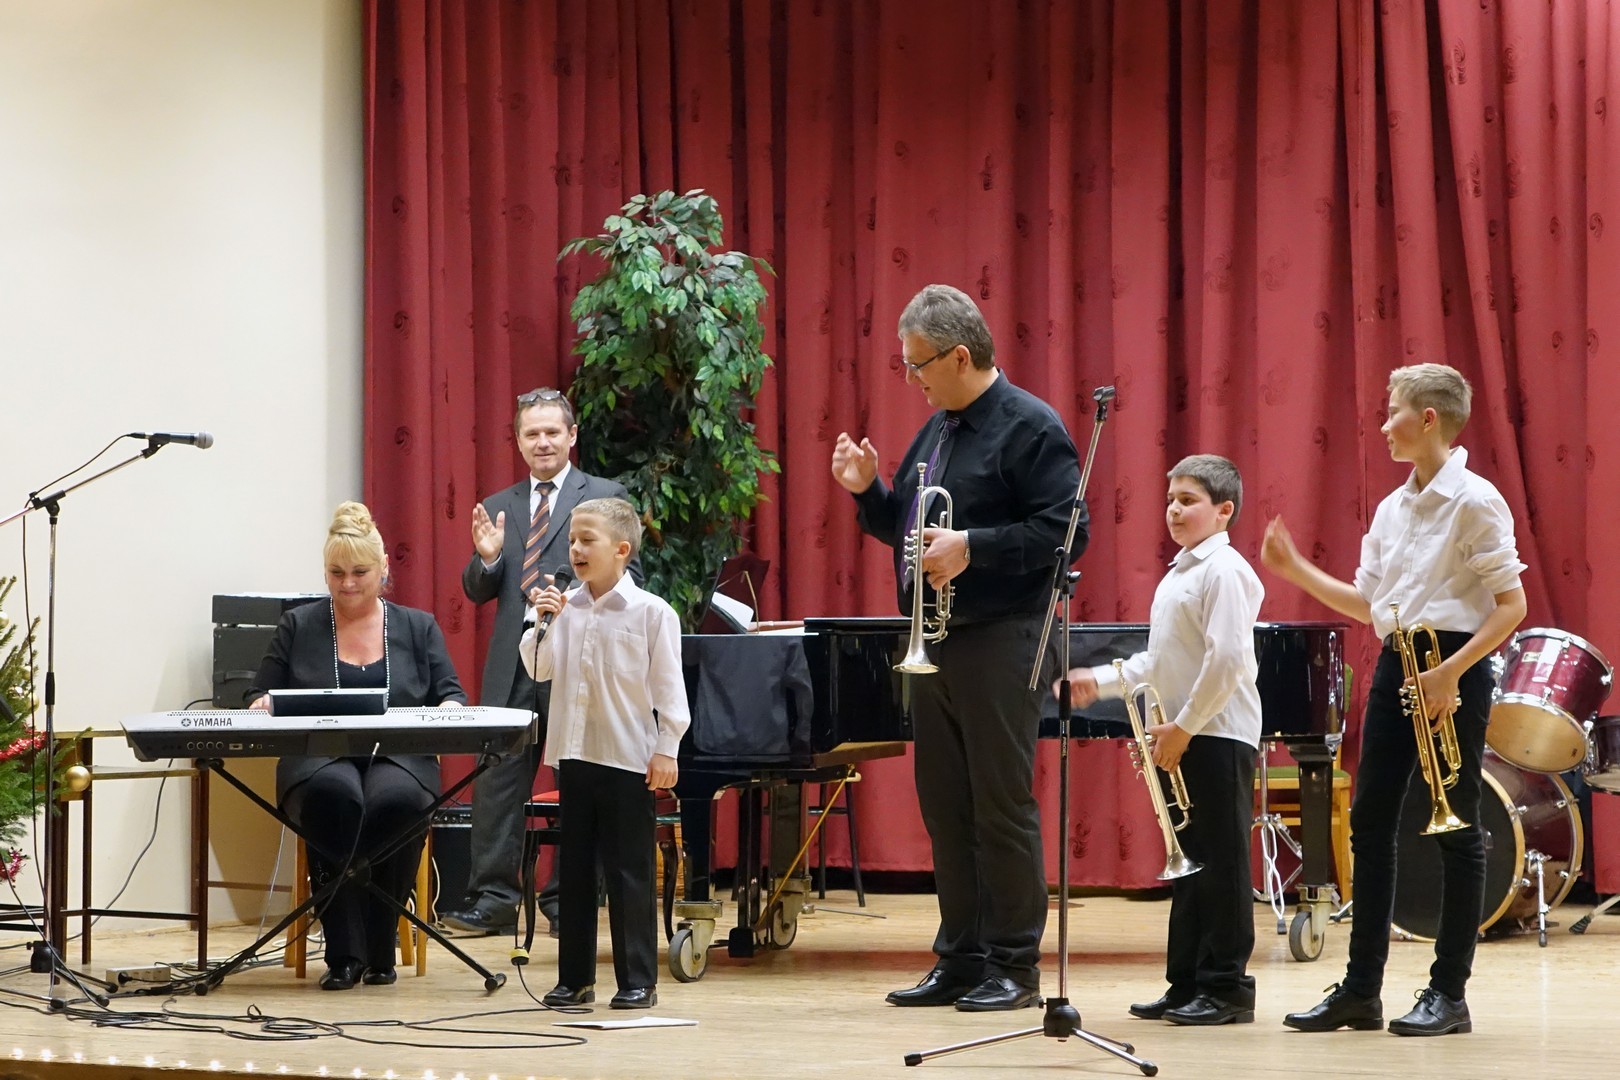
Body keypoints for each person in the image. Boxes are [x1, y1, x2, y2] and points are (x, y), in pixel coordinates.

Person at [831, 283, 1085, 1012]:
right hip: (937, 640)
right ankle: (961, 958)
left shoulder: (1031, 426)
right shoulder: (938, 429)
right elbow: (910, 531)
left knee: (1000, 806)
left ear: (960, 356)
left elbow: (1067, 533)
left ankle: (1014, 966)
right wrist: (867, 492)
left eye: (917, 364)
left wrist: (973, 546)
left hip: (1004, 638)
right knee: (946, 807)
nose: (911, 378)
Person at [1262, 363, 1527, 1036]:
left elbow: (1511, 605)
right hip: (1397, 664)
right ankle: (1361, 990)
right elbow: (1370, 604)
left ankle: (1449, 993)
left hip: (1454, 669)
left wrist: (1451, 674)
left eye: (1394, 412)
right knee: (1371, 822)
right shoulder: (1392, 507)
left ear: (1428, 418)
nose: (1384, 426)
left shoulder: (1475, 500)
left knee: (1456, 824)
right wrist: (1297, 571)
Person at [1055, 455, 1262, 1026]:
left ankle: (1227, 989)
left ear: (1224, 511)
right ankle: (1186, 982)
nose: (1173, 509)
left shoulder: (1225, 571)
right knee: (1189, 860)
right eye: (1170, 499)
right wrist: (1097, 681)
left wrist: (1185, 727)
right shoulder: (1180, 574)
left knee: (1219, 863)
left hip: (1214, 732)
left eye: (1188, 500)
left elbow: (1227, 659)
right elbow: (1160, 661)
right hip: (1183, 732)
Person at [441, 388, 637, 938]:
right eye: (532, 434)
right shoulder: (499, 504)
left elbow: (631, 579)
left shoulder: (605, 496)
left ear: (572, 436)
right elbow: (479, 590)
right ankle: (493, 900)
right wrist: (487, 559)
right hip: (513, 664)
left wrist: (574, 600)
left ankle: (568, 901)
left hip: (576, 663)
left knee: (579, 783)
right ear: (519, 441)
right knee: (497, 784)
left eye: (553, 432)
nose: (543, 442)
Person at [248, 501, 465, 991]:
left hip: (400, 756)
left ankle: (379, 945)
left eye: (360, 573)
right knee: (334, 797)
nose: (347, 584)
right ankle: (345, 953)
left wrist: (450, 708)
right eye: (336, 573)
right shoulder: (297, 625)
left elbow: (450, 691)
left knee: (398, 803)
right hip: (317, 757)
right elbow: (258, 691)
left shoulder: (418, 626)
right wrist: (260, 702)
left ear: (384, 568)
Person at [520, 497, 689, 1010]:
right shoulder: (564, 610)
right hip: (573, 756)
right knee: (574, 873)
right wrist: (539, 621)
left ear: (621, 549)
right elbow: (538, 669)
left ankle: (638, 980)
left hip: (627, 759)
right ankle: (574, 979)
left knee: (628, 872)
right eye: (572, 540)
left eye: (587, 540)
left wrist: (667, 748)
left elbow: (669, 690)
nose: (575, 549)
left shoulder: (652, 612)